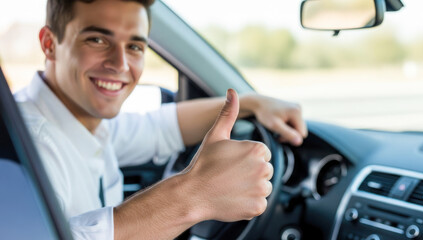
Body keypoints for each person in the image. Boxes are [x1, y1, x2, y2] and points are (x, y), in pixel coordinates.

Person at [15, 0, 308, 239]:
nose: (120, 64)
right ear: (49, 44)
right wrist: (193, 194)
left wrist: (252, 103)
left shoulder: (84, 120)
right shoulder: (25, 148)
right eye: (97, 39)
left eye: (134, 47)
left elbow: (160, 127)